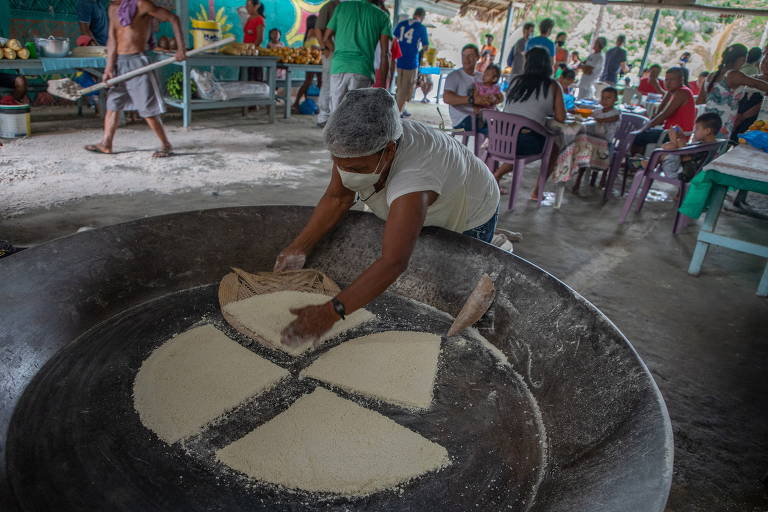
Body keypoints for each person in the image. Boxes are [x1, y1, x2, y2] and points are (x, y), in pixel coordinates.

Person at [272, 88, 500, 347]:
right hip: (422, 193)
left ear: (389, 151)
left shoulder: (414, 178)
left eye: (357, 168)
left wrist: (328, 313)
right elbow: (338, 198)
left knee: (455, 286)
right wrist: (297, 247)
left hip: (470, 205)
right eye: (339, 162)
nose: (346, 172)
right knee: (408, 238)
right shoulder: (357, 147)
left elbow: (394, 261)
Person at [84, 0, 185, 158]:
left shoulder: (141, 4)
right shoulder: (112, 8)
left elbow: (173, 18)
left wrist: (181, 48)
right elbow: (112, 39)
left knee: (147, 108)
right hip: (119, 63)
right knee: (113, 104)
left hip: (138, 62)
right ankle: (106, 144)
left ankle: (166, 145)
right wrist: (109, 67)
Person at [494, 47, 566, 198]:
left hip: (499, 138)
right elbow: (561, 118)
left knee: (521, 141)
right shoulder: (552, 85)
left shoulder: (515, 81)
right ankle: (536, 191)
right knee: (554, 146)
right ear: (547, 64)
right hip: (524, 142)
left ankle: (496, 175)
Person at [323, 0, 392, 114]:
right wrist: (383, 88)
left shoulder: (342, 7)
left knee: (335, 115)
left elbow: (326, 39)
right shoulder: (382, 16)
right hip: (362, 69)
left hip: (339, 67)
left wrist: (339, 53)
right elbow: (385, 54)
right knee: (357, 116)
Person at [698, 44, 768, 139]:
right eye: (744, 60)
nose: (744, 64)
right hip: (722, 123)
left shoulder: (711, 76)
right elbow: (757, 84)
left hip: (703, 122)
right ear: (741, 59)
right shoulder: (734, 75)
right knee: (717, 151)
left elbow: (699, 101)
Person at [631, 67, 696, 154]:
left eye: (672, 80)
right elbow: (659, 111)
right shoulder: (673, 91)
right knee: (640, 131)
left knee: (638, 135)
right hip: (668, 131)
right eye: (666, 80)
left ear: (681, 79)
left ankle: (635, 162)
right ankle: (638, 159)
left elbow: (664, 115)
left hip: (677, 135)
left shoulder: (683, 92)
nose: (668, 83)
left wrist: (645, 127)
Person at [657, 113, 721, 183]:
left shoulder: (704, 149)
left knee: (670, 147)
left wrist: (674, 141)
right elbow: (689, 153)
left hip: (679, 176)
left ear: (707, 131)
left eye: (697, 129)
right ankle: (653, 162)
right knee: (675, 144)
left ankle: (652, 163)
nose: (694, 131)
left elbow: (684, 158)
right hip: (689, 171)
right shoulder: (711, 144)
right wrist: (682, 137)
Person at [443, 44, 487, 134]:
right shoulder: (454, 76)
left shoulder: (482, 77)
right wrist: (472, 99)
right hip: (463, 119)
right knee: (496, 130)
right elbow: (447, 98)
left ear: (478, 57)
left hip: (481, 115)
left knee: (506, 126)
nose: (466, 59)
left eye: (470, 56)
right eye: (464, 56)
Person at [393, 8, 429, 113]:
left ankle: (400, 109)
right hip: (411, 62)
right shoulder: (421, 28)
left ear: (414, 14)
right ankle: (398, 113)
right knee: (406, 90)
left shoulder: (402, 24)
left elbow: (394, 39)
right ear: (422, 17)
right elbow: (426, 47)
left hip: (399, 60)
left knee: (400, 87)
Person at [314, 0, 340, 128]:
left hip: (340, 52)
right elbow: (318, 29)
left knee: (336, 84)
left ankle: (332, 116)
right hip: (331, 51)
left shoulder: (347, 6)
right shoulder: (329, 6)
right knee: (328, 83)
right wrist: (324, 48)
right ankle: (323, 116)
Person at [732, 48, 768, 141]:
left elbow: (760, 106)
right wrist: (736, 116)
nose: (765, 64)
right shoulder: (751, 78)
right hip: (736, 116)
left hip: (754, 121)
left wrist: (742, 117)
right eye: (764, 60)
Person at [292, 16, 322, 115]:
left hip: (312, 60)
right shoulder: (314, 31)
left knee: (309, 82)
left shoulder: (308, 32)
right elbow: (315, 46)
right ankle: (299, 103)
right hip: (316, 60)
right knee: (315, 82)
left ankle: (309, 102)